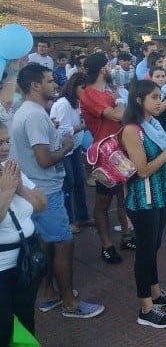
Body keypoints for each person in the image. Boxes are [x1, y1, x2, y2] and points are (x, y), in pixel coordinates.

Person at [11, 64, 105, 319]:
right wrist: (65, 147)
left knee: (46, 244)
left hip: (36, 188)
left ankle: (48, 294)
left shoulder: (29, 111)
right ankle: (69, 303)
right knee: (63, 244)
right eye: (50, 81)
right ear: (35, 85)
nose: (55, 85)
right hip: (45, 189)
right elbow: (43, 159)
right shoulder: (34, 115)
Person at [120, 80, 166, 328]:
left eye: (160, 96)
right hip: (143, 200)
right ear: (139, 100)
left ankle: (156, 293)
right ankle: (146, 308)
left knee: (153, 247)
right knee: (145, 251)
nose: (159, 101)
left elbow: (163, 159)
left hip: (160, 195)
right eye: (154, 97)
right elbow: (142, 171)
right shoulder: (132, 130)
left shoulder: (153, 124)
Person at [79, 53, 134, 263]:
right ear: (103, 69)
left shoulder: (107, 92)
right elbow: (117, 115)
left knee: (123, 196)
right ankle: (106, 245)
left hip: (120, 150)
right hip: (104, 156)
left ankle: (126, 237)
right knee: (103, 201)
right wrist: (120, 101)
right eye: (108, 65)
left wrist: (118, 101)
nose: (111, 68)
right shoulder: (90, 94)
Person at [0, 126, 47, 346]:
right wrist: (7, 191)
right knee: (3, 325)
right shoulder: (7, 179)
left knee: (26, 316)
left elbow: (41, 204)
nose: (6, 148)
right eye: (0, 143)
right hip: (2, 266)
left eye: (7, 141)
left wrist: (20, 188)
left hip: (28, 257)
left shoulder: (9, 169)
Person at [49, 73, 92, 233]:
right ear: (74, 87)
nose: (85, 91)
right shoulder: (63, 104)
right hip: (63, 149)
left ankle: (82, 216)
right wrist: (82, 127)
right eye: (83, 88)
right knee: (68, 183)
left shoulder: (77, 102)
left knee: (80, 180)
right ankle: (68, 219)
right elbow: (60, 129)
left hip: (74, 147)